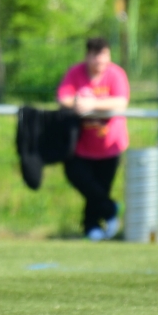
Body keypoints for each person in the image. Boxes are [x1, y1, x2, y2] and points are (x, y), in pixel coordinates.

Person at [57, 38, 129, 241]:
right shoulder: (76, 72)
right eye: (95, 55)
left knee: (100, 188)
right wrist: (78, 103)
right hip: (81, 146)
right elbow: (64, 97)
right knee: (83, 181)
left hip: (109, 145)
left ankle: (91, 227)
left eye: (103, 54)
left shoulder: (116, 74)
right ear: (88, 56)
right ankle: (111, 209)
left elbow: (121, 101)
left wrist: (93, 104)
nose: (99, 59)